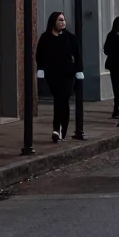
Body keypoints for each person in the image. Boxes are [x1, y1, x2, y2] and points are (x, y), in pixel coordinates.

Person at [36, 11, 84, 142]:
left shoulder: (70, 38)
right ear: (53, 22)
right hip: (52, 75)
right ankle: (60, 130)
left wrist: (79, 72)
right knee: (60, 100)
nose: (63, 22)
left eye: (63, 20)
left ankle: (57, 129)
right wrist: (40, 69)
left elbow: (78, 56)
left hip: (68, 75)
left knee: (62, 99)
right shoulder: (45, 37)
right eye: (60, 20)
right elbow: (39, 55)